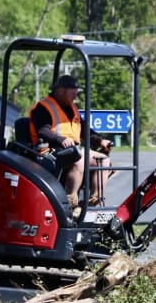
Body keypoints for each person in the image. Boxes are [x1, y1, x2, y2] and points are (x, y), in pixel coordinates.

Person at [29, 74, 113, 208]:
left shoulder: (72, 108)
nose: (75, 96)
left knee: (103, 160)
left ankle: (94, 201)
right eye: (73, 93)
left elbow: (84, 130)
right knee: (79, 159)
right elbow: (42, 131)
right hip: (48, 151)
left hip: (72, 150)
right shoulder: (43, 107)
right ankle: (70, 203)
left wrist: (100, 140)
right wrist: (60, 139)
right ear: (61, 91)